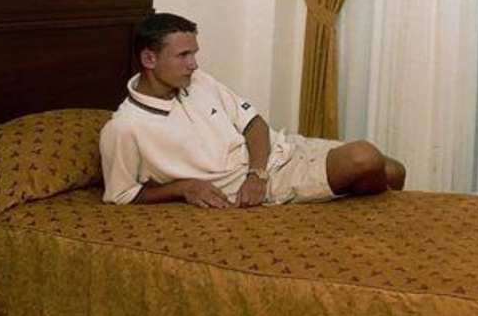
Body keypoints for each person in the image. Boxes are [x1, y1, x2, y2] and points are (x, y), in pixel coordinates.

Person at [100, 12, 406, 208]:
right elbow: (122, 195)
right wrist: (184, 187)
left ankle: (359, 210)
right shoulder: (125, 128)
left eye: (194, 53)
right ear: (149, 59)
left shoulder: (199, 81)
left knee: (395, 171)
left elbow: (254, 123)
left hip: (277, 155)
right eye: (183, 55)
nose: (193, 64)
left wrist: (257, 173)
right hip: (269, 183)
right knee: (364, 157)